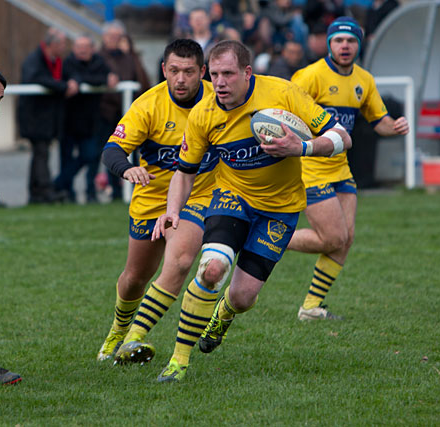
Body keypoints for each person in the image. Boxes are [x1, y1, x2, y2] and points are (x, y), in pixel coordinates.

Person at [151, 40, 352, 382]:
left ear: (247, 72)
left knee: (243, 297)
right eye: (214, 75)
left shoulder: (283, 94)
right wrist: (172, 210)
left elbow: (342, 137)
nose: (220, 83)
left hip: (281, 210)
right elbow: (185, 171)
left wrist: (301, 147)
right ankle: (178, 363)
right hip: (233, 198)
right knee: (212, 269)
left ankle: (224, 314)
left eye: (228, 73)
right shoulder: (204, 113)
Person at [96, 39, 217, 363]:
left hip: (201, 198)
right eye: (174, 70)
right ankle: (119, 331)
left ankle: (141, 337)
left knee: (179, 261)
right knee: (135, 278)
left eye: (189, 72)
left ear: (202, 72)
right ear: (163, 69)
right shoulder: (148, 104)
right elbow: (111, 150)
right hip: (151, 201)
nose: (180, 79)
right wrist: (127, 168)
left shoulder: (219, 101)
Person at [287, 17, 409, 320]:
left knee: (346, 237)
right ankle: (267, 235)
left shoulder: (364, 80)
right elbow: (283, 113)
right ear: (329, 43)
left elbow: (378, 121)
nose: (345, 46)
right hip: (309, 167)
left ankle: (312, 307)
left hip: (341, 168)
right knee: (332, 238)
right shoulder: (310, 75)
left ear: (359, 44)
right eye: (339, 40)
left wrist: (395, 126)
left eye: (351, 41)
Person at [18, 27, 78, 204]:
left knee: (40, 153)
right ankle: (44, 190)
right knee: (41, 153)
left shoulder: (56, 61)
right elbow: (37, 78)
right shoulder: (35, 59)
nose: (64, 48)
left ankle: (36, 192)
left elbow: (70, 74)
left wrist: (72, 82)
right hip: (34, 117)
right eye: (62, 44)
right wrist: (64, 87)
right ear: (52, 45)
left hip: (45, 118)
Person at [96, 21, 150, 201]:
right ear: (104, 37)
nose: (115, 40)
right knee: (108, 152)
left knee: (132, 154)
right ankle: (115, 192)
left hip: (128, 113)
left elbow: (142, 81)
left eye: (118, 37)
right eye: (111, 36)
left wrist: (132, 55)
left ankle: (133, 189)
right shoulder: (98, 57)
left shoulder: (128, 57)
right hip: (106, 113)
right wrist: (104, 79)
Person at [55, 35, 113, 203]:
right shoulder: (67, 63)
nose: (82, 50)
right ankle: (66, 192)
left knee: (90, 155)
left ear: (92, 48)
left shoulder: (99, 62)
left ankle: (64, 185)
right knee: (66, 157)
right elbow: (71, 78)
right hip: (68, 120)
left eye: (85, 46)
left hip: (90, 121)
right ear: (74, 49)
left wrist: (80, 81)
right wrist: (83, 80)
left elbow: (103, 78)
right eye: (79, 46)